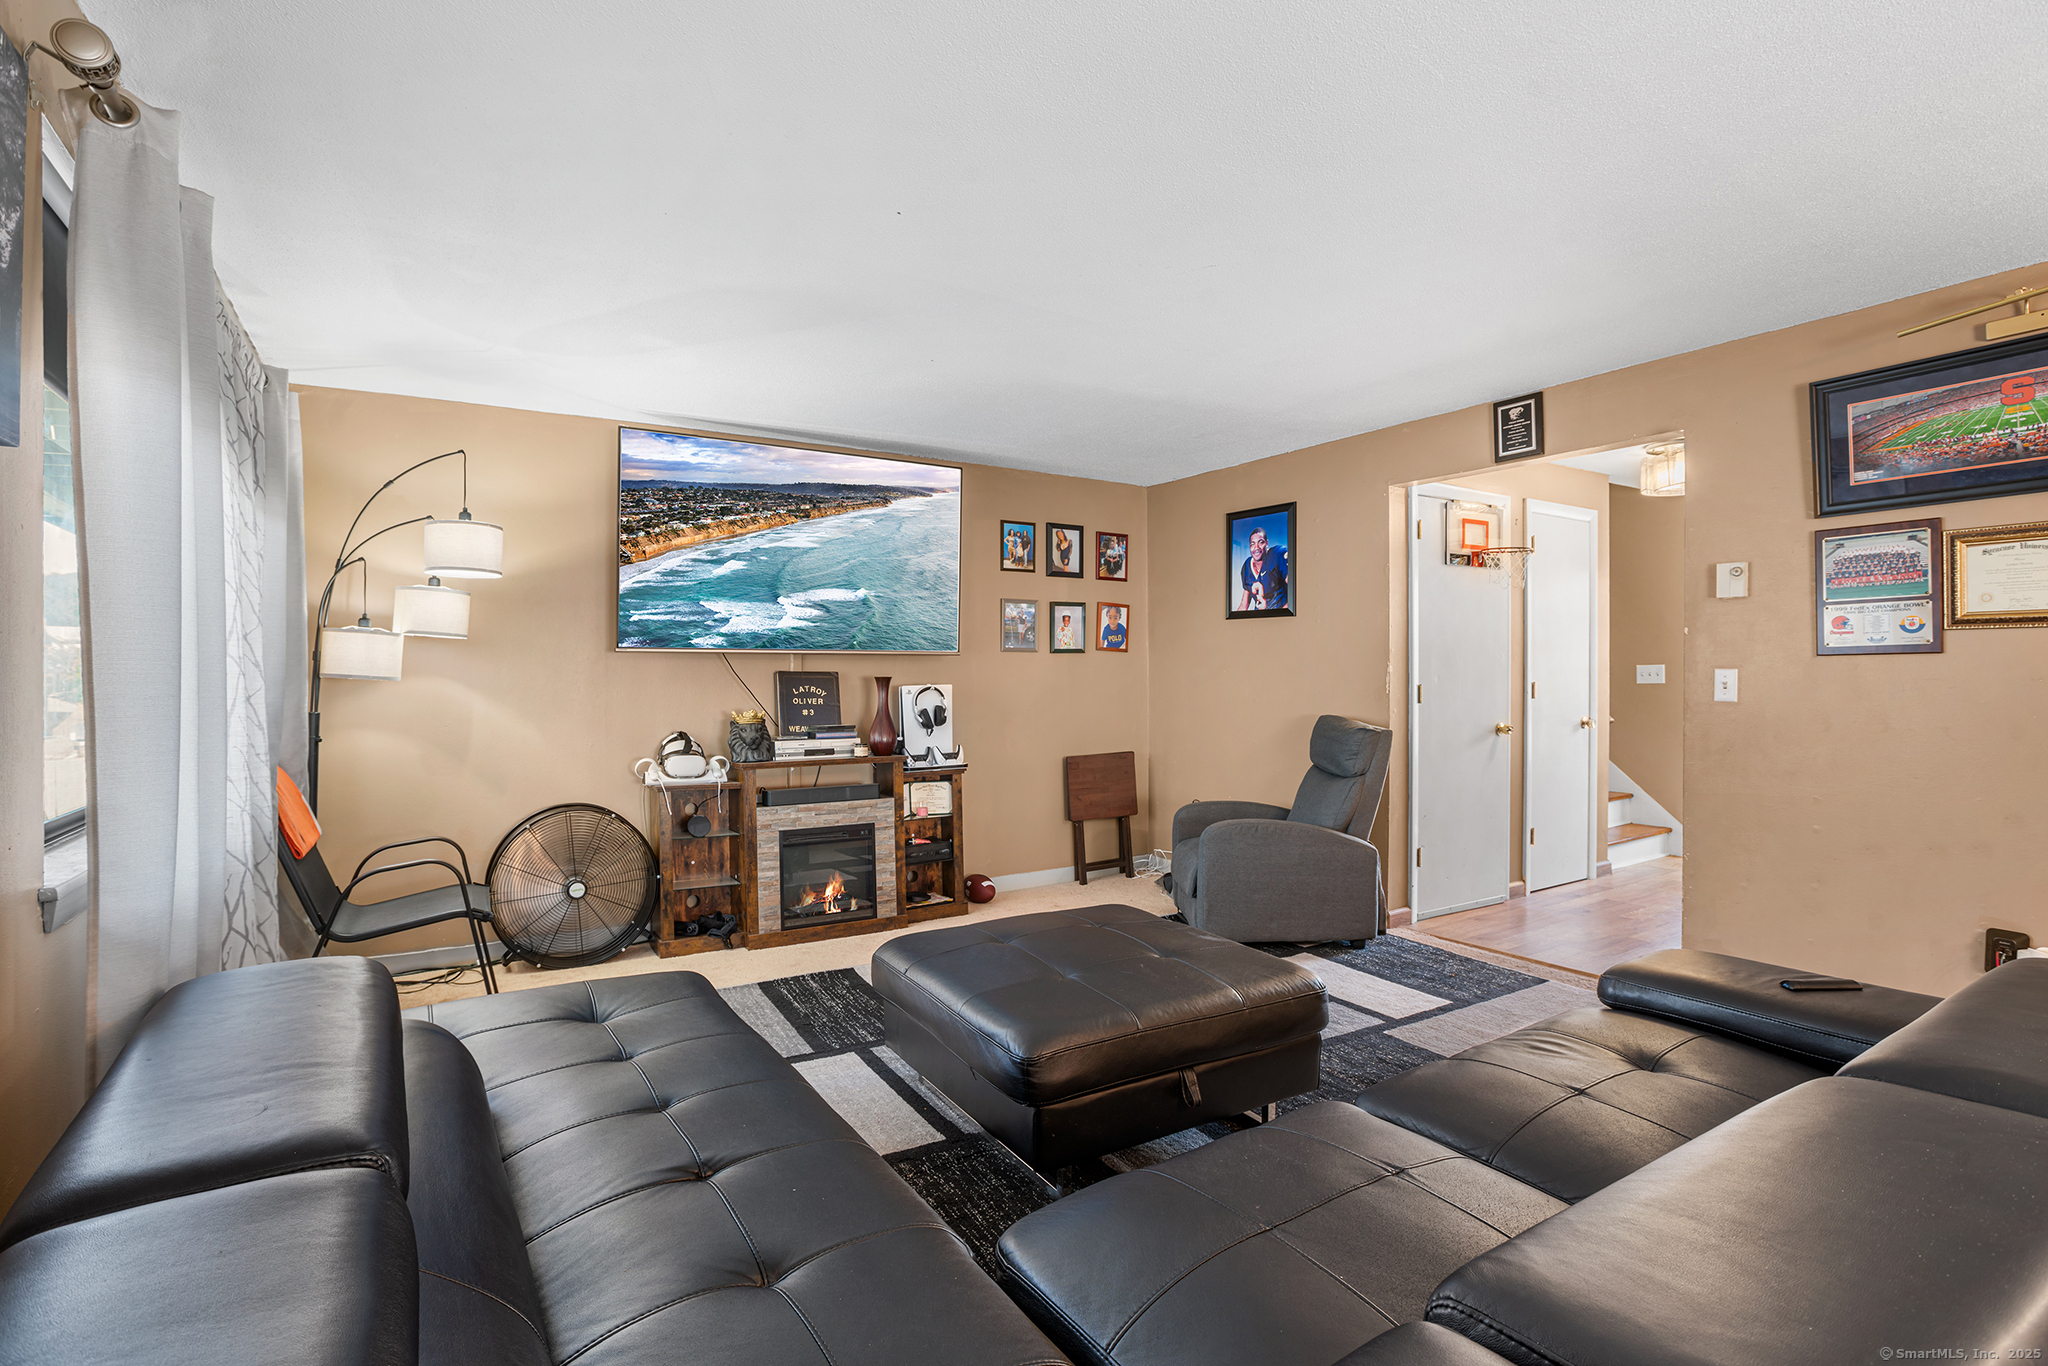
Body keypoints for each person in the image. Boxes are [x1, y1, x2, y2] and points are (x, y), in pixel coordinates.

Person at [1236, 525, 1289, 611]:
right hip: (1260, 620)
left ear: (1267, 543)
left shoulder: (1276, 555)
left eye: (1260, 542)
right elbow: (1243, 605)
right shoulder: (1247, 566)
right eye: (1252, 544)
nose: (1256, 547)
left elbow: (1296, 587)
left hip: (1281, 617)